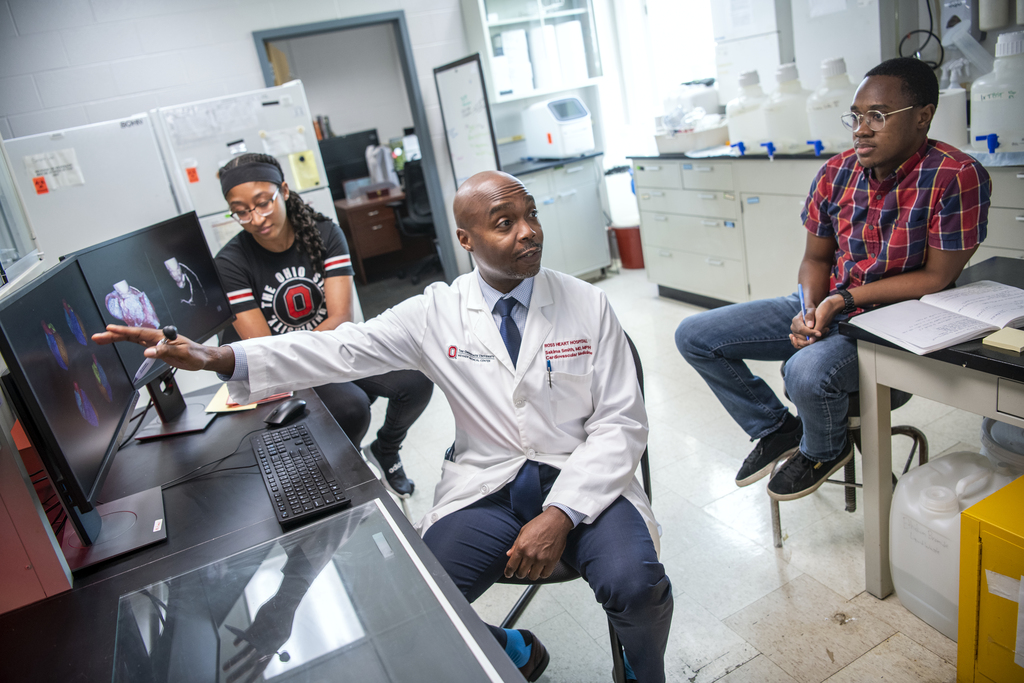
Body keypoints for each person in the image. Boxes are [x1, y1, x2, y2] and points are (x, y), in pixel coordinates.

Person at [95, 170, 673, 683]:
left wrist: (561, 512)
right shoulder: (435, 312)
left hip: (587, 483)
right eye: (505, 223)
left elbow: (622, 422)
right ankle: (514, 650)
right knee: (411, 598)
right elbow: (338, 349)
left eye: (530, 216)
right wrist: (216, 358)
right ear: (466, 240)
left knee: (638, 586)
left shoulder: (587, 304)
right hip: (491, 487)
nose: (529, 232)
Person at [675, 57, 991, 501]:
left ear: (923, 116)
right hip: (833, 303)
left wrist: (840, 300)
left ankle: (825, 449)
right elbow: (815, 258)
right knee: (695, 335)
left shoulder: (956, 176)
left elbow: (938, 277)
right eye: (857, 116)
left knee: (803, 372)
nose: (861, 128)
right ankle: (777, 428)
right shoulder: (837, 171)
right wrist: (809, 309)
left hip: (894, 328)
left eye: (878, 116)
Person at [212, 153, 434, 498]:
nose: (255, 218)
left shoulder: (325, 233)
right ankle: (347, 471)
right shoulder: (230, 262)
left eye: (263, 203)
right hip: (280, 368)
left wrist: (324, 356)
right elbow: (263, 348)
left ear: (283, 191)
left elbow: (340, 316)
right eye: (241, 211)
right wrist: (316, 360)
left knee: (417, 379)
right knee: (351, 405)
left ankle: (386, 449)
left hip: (331, 342)